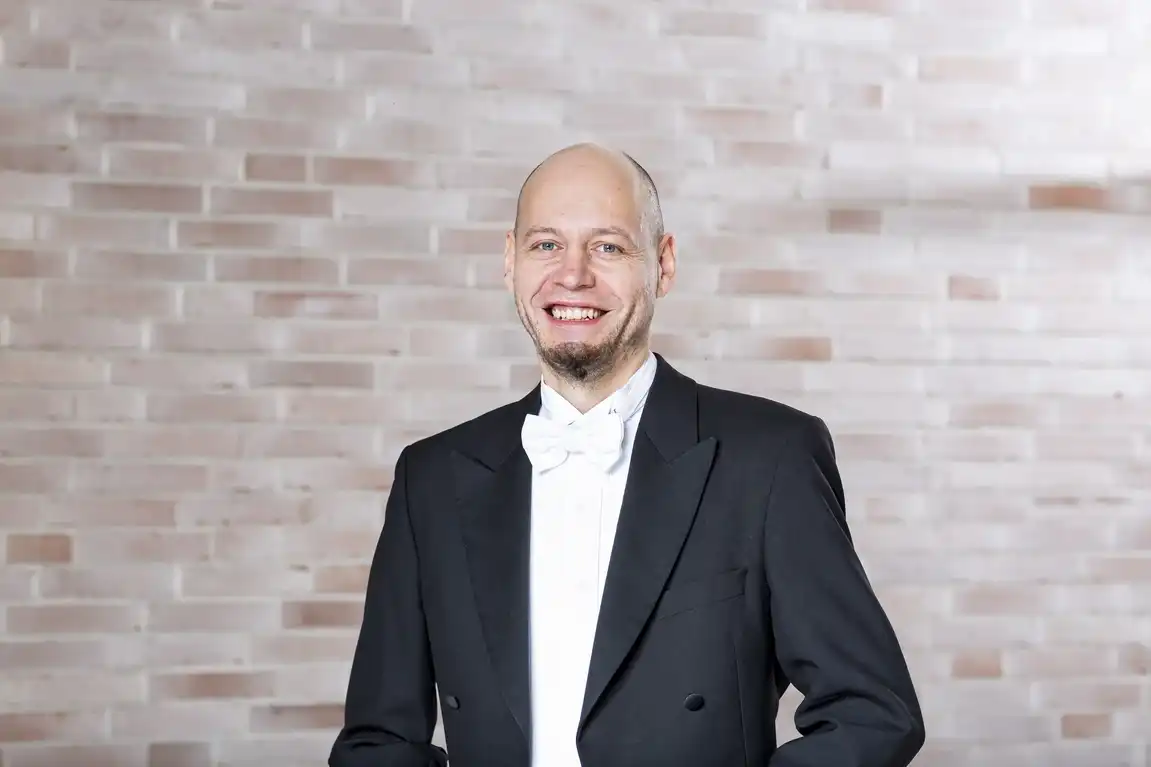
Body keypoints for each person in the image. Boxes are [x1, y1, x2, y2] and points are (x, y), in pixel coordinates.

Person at [328, 143, 925, 767]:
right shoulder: (431, 479)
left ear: (663, 265)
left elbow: (871, 713)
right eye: (546, 244)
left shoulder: (768, 458)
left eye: (608, 247)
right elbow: (378, 741)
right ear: (509, 262)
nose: (573, 275)